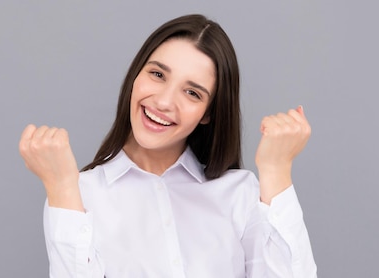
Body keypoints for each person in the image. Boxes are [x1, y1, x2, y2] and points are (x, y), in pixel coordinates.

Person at [19, 14, 317, 277]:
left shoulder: (240, 194)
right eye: (158, 74)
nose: (163, 102)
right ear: (136, 75)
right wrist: (60, 186)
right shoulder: (79, 196)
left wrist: (277, 170)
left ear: (208, 113)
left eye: (192, 92)